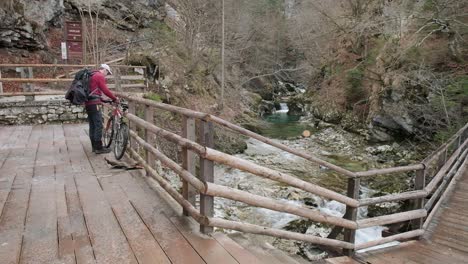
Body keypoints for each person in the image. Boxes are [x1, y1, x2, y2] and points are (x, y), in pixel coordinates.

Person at [85, 64, 118, 154]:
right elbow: (105, 90)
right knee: (98, 125)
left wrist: (103, 100)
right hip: (94, 104)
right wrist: (114, 98)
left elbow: (94, 91)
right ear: (105, 70)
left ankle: (94, 146)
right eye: (107, 73)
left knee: (92, 125)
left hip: (88, 103)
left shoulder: (92, 75)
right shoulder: (99, 76)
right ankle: (99, 148)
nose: (106, 75)